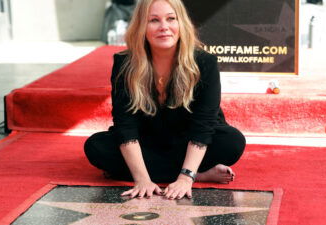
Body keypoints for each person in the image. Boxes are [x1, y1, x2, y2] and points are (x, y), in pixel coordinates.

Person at [84, 0, 246, 200]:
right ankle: (200, 174)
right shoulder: (125, 63)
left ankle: (184, 172)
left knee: (232, 141)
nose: (164, 27)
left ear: (182, 24)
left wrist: (185, 178)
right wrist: (141, 179)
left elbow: (204, 126)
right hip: (148, 140)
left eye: (171, 19)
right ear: (141, 26)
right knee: (96, 147)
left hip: (188, 140)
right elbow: (125, 125)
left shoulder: (204, 62)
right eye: (154, 20)